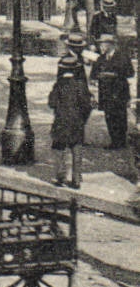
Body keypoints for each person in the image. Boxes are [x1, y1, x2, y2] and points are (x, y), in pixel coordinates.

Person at [49, 54, 92, 188]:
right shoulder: (80, 85)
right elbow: (87, 105)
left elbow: (51, 103)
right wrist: (82, 119)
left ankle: (60, 177)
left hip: (61, 120)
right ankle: (76, 179)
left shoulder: (58, 85)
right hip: (76, 121)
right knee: (76, 148)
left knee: (58, 148)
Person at [92, 34, 131, 149]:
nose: (101, 46)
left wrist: (115, 75)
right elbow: (94, 74)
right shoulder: (101, 58)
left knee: (120, 117)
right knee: (109, 117)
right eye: (100, 43)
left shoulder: (122, 57)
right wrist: (98, 77)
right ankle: (114, 141)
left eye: (103, 43)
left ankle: (121, 141)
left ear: (111, 44)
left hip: (119, 91)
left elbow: (130, 72)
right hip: (105, 92)